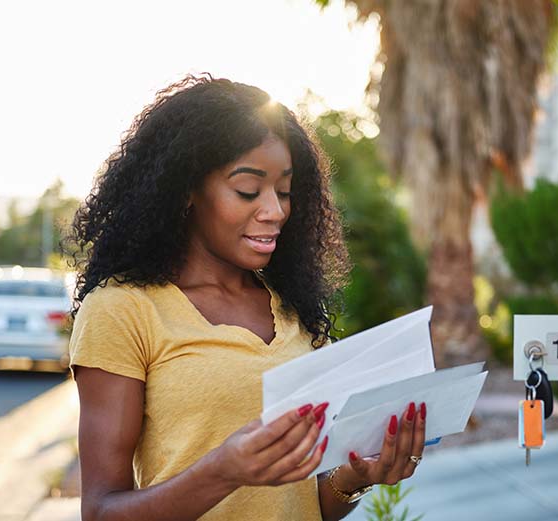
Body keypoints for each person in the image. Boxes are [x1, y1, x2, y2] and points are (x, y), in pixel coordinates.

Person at [64, 74, 426, 521]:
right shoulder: (123, 310)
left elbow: (303, 503)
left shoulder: (294, 308)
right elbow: (100, 511)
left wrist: (352, 479)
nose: (275, 211)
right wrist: (223, 471)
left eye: (285, 191)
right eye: (248, 191)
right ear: (186, 192)